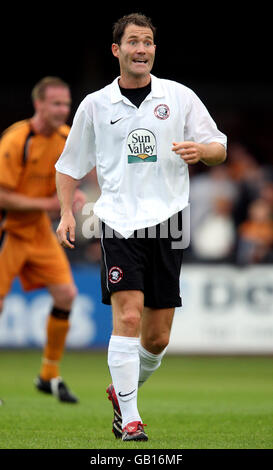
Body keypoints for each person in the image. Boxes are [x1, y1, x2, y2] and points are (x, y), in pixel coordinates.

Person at [55, 13, 227, 440]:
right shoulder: (95, 105)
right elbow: (69, 166)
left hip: (169, 223)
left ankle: (123, 392)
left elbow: (219, 148)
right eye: (133, 42)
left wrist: (201, 150)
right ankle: (131, 419)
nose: (142, 49)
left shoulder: (179, 96)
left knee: (157, 337)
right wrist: (64, 212)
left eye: (148, 42)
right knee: (127, 316)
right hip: (118, 222)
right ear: (117, 50)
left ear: (154, 50)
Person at [0, 76, 86, 403]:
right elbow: (2, 196)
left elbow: (67, 179)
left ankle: (48, 375)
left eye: (66, 104)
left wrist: (69, 197)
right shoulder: (16, 140)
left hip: (37, 230)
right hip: (8, 230)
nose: (63, 110)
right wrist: (49, 205)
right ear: (39, 104)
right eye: (56, 104)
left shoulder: (67, 138)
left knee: (66, 294)